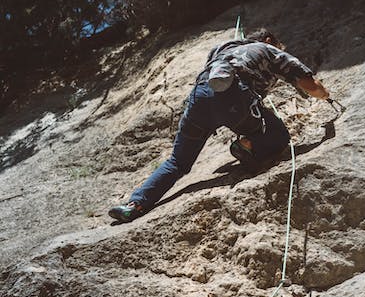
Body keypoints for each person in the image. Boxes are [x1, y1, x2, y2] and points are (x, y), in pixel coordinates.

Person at [108, 28, 329, 223]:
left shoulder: (222, 49)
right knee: (278, 135)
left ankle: (134, 205)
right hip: (234, 99)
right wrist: (326, 96)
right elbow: (310, 85)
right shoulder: (268, 49)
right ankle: (248, 145)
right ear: (269, 39)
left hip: (199, 98)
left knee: (178, 161)